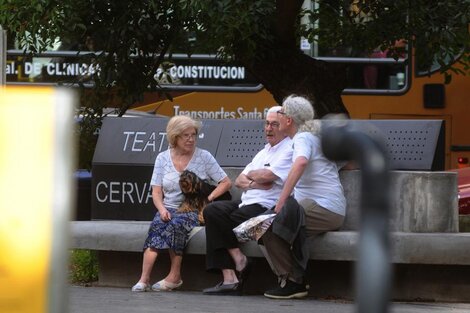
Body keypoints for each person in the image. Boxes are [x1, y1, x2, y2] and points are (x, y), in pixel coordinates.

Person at [131, 115, 232, 292]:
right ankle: (144, 279)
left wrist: (207, 199)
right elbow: (156, 192)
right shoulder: (162, 158)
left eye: (193, 134)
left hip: (192, 209)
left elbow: (226, 182)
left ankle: (175, 276)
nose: (191, 139)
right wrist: (162, 210)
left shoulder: (204, 156)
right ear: (175, 137)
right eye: (186, 135)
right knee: (157, 226)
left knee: (176, 225)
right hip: (168, 207)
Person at [261, 95, 347, 299]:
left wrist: (281, 201)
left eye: (280, 113)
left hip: (324, 209)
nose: (276, 117)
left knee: (270, 225)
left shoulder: (303, 138)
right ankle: (292, 278)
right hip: (319, 207)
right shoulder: (309, 137)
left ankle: (294, 281)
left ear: (288, 120)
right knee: (264, 224)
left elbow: (300, 163)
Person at [202, 106, 293, 295]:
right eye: (267, 124)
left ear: (285, 125)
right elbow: (239, 180)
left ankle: (233, 275)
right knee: (212, 211)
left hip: (267, 207)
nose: (268, 128)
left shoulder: (289, 148)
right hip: (246, 202)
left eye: (274, 124)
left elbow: (268, 175)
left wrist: (254, 178)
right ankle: (234, 268)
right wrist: (255, 181)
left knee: (224, 223)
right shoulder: (264, 151)